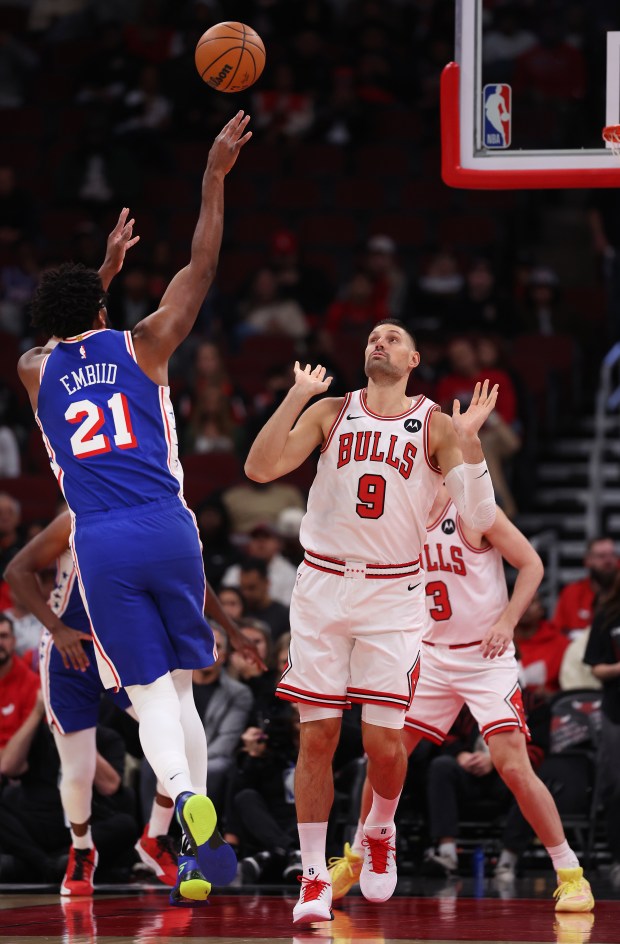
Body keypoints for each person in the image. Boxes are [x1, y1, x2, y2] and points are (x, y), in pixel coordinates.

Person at [16, 112, 253, 899]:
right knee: (185, 684)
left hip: (103, 542)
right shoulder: (146, 342)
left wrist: (98, 277)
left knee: (148, 694)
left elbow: (61, 337)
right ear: (105, 313)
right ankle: (192, 808)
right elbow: (203, 262)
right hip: (170, 527)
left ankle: (184, 796)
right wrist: (212, 176)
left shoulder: (33, 371)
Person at [244, 318, 499, 924]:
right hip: (323, 584)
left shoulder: (437, 424)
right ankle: (312, 878)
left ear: (413, 359)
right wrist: (296, 395)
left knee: (385, 743)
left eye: (393, 338)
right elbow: (259, 469)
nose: (378, 343)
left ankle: (378, 827)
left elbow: (479, 519)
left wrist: (471, 443)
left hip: (393, 592)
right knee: (318, 736)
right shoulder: (332, 410)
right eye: (371, 339)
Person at [330, 483, 594, 914]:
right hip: (431, 655)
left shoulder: (472, 509)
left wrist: (508, 623)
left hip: (485, 656)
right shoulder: (400, 515)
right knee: (384, 753)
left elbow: (531, 564)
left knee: (513, 766)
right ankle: (359, 857)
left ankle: (571, 874)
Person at [5, 507, 260, 901]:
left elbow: (189, 578)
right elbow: (16, 571)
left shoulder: (149, 508)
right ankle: (82, 850)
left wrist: (229, 628)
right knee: (78, 768)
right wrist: (56, 629)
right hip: (69, 650)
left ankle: (155, 837)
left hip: (122, 646)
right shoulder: (74, 515)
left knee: (169, 734)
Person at [583, 572, 620, 889]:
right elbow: (595, 667)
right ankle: (617, 859)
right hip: (616, 711)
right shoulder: (608, 615)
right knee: (615, 786)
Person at [552, 537, 619, 638]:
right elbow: (558, 633)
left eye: (612, 555)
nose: (608, 561)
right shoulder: (571, 593)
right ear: (588, 560)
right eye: (602, 556)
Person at [0, 611, 39, 761]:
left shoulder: (32, 684)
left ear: (14, 641)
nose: (0, 643)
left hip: (19, 769)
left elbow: (28, 746)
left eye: (4, 636)